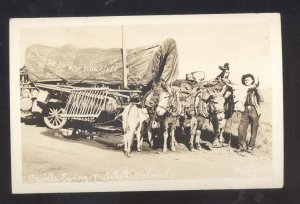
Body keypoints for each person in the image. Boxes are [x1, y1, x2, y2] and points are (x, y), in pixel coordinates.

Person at [235, 73, 264, 153]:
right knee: (241, 128)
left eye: (247, 79)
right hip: (245, 110)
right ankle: (242, 146)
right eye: (245, 80)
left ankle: (250, 147)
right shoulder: (243, 89)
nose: (246, 81)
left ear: (252, 81)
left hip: (254, 110)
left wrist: (257, 89)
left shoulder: (256, 89)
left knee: (253, 129)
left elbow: (262, 99)